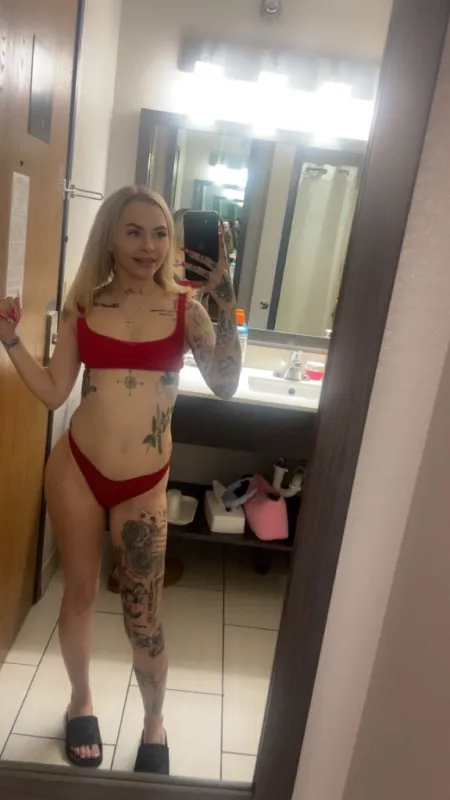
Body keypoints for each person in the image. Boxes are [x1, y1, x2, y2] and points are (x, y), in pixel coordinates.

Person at [0, 186, 241, 774]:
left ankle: (154, 721)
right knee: (79, 594)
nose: (148, 246)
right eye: (133, 231)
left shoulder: (188, 309)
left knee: (144, 619)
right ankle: (80, 702)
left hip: (144, 484)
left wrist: (225, 291)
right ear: (109, 236)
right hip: (77, 470)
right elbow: (55, 391)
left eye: (159, 233)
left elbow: (225, 383)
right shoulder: (84, 306)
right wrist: (10, 341)